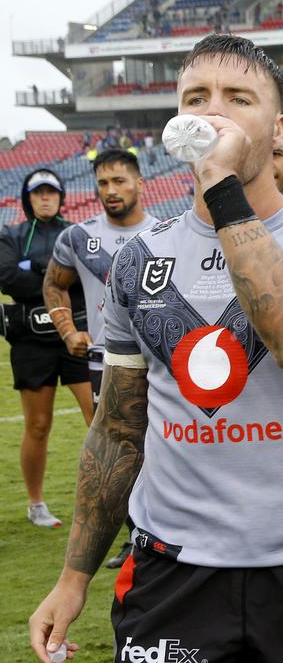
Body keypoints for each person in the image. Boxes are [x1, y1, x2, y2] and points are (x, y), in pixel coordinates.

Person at [28, 33, 283, 663]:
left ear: (279, 130)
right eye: (195, 98)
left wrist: (220, 184)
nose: (212, 113)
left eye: (237, 98)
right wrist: (73, 577)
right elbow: (119, 431)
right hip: (173, 572)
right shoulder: (138, 259)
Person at [43, 148, 157, 563]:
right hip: (105, 362)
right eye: (103, 183)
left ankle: (162, 530)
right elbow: (54, 285)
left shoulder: (164, 233)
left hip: (160, 363)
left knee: (162, 446)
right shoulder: (77, 237)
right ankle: (135, 539)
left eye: (120, 181)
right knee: (118, 451)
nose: (111, 191)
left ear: (140, 184)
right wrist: (67, 329)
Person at [0, 169, 94, 529]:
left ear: (61, 197)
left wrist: (35, 270)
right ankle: (36, 503)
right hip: (30, 342)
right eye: (37, 193)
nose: (45, 198)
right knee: (38, 425)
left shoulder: (76, 233)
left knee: (98, 420)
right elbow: (8, 278)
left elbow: (85, 279)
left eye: (51, 193)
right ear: (27, 198)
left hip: (76, 337)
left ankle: (117, 496)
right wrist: (56, 275)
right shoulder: (11, 235)